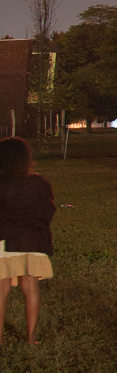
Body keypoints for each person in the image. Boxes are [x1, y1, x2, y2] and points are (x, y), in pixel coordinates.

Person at [0, 137, 56, 346]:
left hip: (4, 241)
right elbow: (47, 210)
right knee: (30, 287)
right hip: (33, 241)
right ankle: (31, 338)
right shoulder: (39, 183)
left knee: (1, 290)